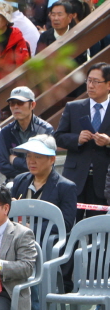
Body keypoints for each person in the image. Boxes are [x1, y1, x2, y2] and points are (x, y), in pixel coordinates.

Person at [11, 135, 78, 310]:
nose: (31, 161)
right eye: (28, 156)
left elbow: (65, 224)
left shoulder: (66, 187)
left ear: (52, 159)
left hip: (44, 243)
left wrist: (28, 229)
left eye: (38, 156)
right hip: (14, 241)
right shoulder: (20, 181)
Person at [55, 63, 110, 219]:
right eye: (88, 80)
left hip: (103, 179)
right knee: (69, 225)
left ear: (108, 85)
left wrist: (108, 142)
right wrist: (76, 139)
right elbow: (58, 136)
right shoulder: (73, 107)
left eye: (96, 82)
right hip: (75, 177)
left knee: (98, 230)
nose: (91, 85)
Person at [0, 87, 54, 181]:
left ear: (32, 105)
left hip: (41, 182)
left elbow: (45, 165)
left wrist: (15, 161)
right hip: (14, 182)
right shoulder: (5, 132)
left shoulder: (45, 130)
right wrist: (29, 171)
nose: (15, 107)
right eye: (12, 103)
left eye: (20, 103)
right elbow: (3, 166)